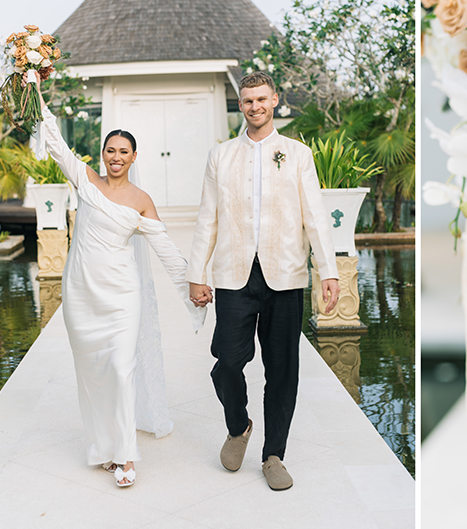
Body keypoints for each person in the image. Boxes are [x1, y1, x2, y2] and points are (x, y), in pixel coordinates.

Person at [38, 94, 205, 488]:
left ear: (134, 158)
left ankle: (127, 455)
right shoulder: (85, 180)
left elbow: (166, 249)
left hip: (122, 296)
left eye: (123, 152)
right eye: (110, 150)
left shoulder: (141, 201)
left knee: (120, 368)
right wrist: (35, 92)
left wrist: (192, 284)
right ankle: (104, 448)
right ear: (102, 154)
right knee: (92, 373)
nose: (116, 157)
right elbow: (55, 143)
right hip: (81, 294)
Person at [186, 71, 340, 491]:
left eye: (261, 99)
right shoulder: (220, 156)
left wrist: (328, 270)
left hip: (284, 276)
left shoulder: (297, 154)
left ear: (275, 100)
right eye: (248, 100)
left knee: (283, 370)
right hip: (233, 275)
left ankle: (274, 455)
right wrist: (196, 274)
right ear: (240, 105)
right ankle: (238, 427)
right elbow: (207, 218)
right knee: (227, 362)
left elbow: (315, 216)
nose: (255, 106)